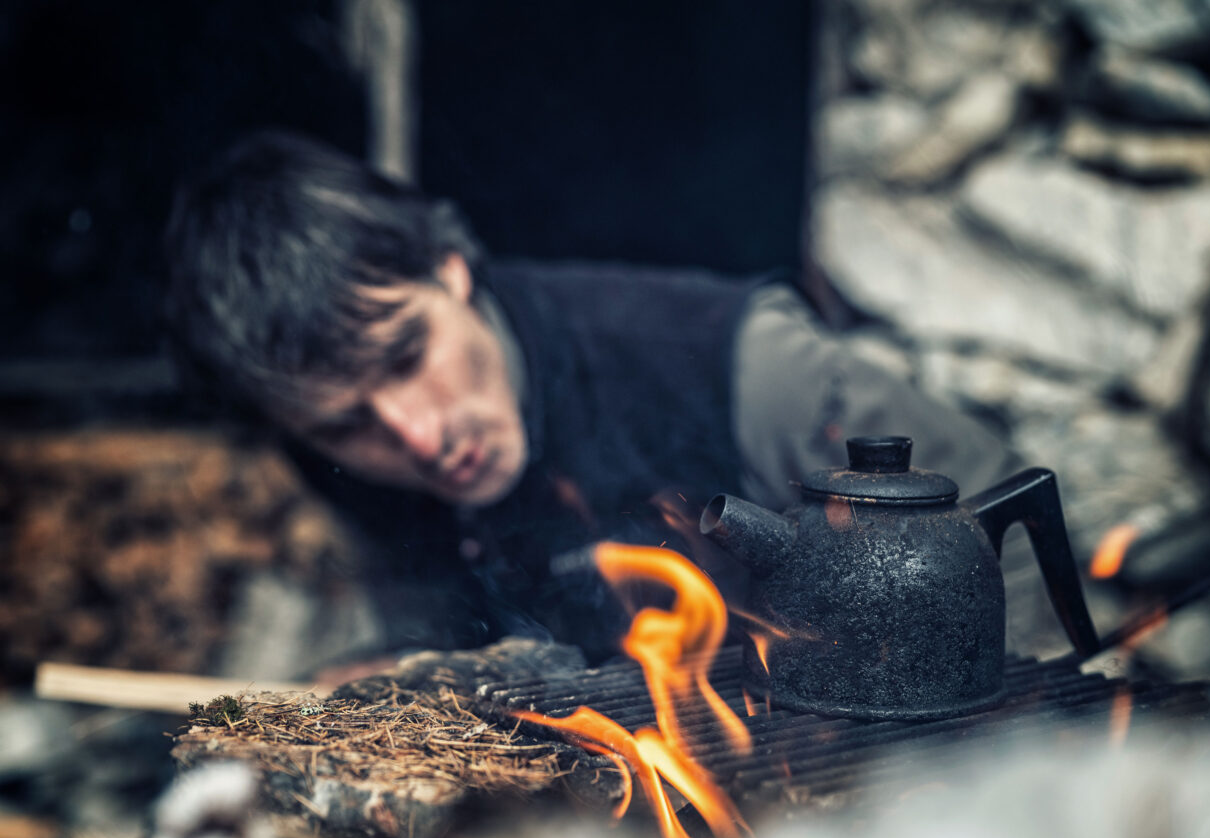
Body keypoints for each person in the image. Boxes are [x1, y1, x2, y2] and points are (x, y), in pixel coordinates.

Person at [165, 130, 1023, 662]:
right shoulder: (332, 450)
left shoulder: (738, 363)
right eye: (347, 423)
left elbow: (1002, 546)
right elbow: (439, 625)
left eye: (406, 355)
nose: (416, 435)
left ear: (450, 267)